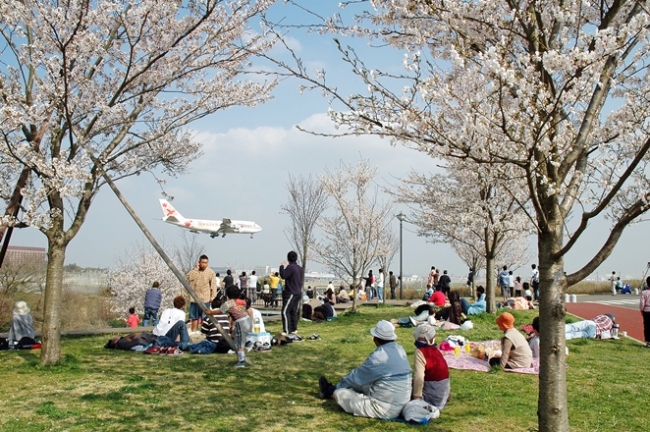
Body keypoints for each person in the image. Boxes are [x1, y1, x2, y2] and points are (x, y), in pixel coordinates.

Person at [318, 320, 412, 419]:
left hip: (384, 409)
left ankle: (329, 391)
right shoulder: (400, 349)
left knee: (340, 394)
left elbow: (357, 378)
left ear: (375, 339)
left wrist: (339, 387)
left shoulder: (379, 356)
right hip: (403, 403)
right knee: (365, 383)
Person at [209, 286, 253, 368]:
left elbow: (219, 311)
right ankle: (247, 342)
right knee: (235, 335)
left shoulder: (229, 303)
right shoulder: (242, 301)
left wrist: (210, 312)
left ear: (228, 295)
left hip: (241, 322)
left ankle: (241, 362)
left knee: (240, 345)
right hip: (248, 320)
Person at [411, 324, 450, 410]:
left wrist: (416, 398)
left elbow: (419, 377)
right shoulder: (435, 350)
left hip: (432, 396)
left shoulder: (420, 352)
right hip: (443, 392)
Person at [186, 255, 217, 333]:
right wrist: (196, 269)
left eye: (206, 263)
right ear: (199, 262)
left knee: (205, 318)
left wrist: (212, 297)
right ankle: (194, 333)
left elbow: (213, 285)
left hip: (205, 298)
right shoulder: (195, 271)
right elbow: (189, 278)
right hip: (194, 298)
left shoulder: (211, 272)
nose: (204, 264)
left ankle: (204, 334)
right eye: (202, 262)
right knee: (194, 317)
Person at [280, 251, 303, 335]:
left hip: (291, 292)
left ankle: (286, 330)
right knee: (293, 311)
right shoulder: (300, 268)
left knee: (285, 311)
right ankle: (294, 329)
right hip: (298, 292)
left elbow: (283, 275)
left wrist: (282, 266)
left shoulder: (290, 267)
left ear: (288, 258)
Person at [640, 276, 650, 348]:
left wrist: (642, 310)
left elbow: (642, 303)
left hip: (647, 311)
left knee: (647, 327)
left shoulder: (644, 293)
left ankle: (648, 342)